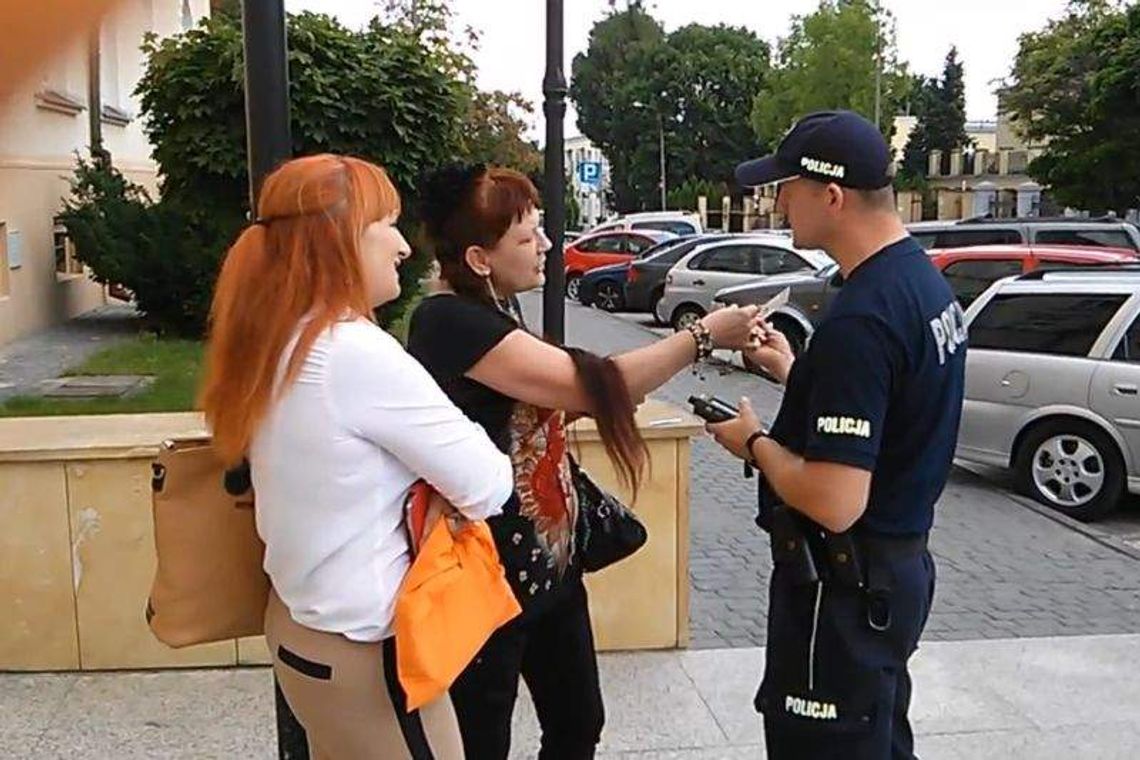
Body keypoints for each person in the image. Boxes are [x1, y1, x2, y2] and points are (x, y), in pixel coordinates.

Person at [406, 163, 762, 760]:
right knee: (477, 742)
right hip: (485, 579)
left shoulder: (494, 310)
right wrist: (702, 336)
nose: (547, 245)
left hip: (549, 568)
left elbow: (532, 409)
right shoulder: (447, 321)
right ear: (477, 259)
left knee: (578, 723)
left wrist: (598, 398)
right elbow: (591, 385)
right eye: (527, 237)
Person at [199, 154, 515, 760]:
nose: (401, 245)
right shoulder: (352, 350)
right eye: (385, 224)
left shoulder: (281, 337)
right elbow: (488, 483)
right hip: (369, 653)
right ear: (338, 240)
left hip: (303, 632)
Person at [707, 111, 967, 760]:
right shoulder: (921, 284)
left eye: (785, 187)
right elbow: (888, 416)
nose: (775, 201)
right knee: (876, 735)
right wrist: (794, 372)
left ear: (831, 195)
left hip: (842, 589)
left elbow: (834, 498)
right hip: (895, 571)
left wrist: (754, 442)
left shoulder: (863, 318)